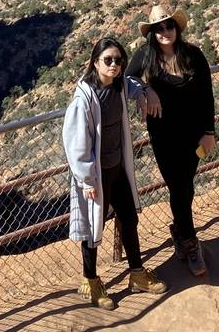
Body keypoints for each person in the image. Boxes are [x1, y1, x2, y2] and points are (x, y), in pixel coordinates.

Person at [62, 36, 168, 310]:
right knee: (93, 227)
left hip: (118, 167)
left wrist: (147, 90)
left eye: (118, 60)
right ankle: (91, 282)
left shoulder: (120, 86)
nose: (114, 65)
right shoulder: (85, 98)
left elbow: (135, 85)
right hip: (96, 175)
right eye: (107, 60)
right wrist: (86, 179)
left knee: (129, 218)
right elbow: (75, 143)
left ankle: (136, 274)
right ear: (95, 62)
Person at [125, 4, 216, 277]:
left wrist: (209, 132)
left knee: (186, 189)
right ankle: (191, 244)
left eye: (168, 26)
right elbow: (126, 77)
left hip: (193, 135)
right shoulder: (145, 56)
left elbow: (206, 95)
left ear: (177, 28)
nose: (165, 32)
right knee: (177, 188)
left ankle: (179, 230)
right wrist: (145, 88)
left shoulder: (193, 55)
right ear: (152, 33)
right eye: (158, 28)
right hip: (163, 137)